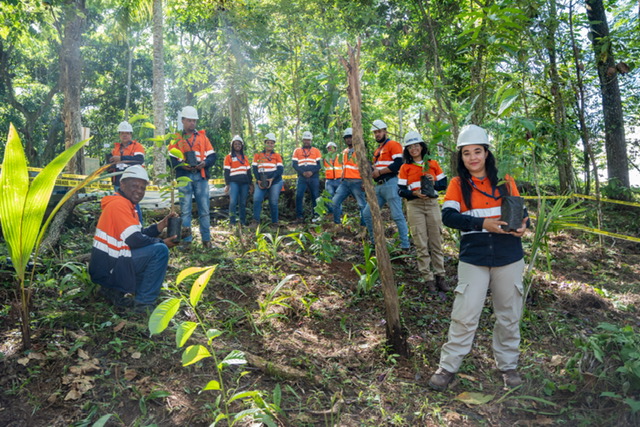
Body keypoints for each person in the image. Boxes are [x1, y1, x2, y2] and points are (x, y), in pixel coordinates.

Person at [428, 124, 529, 391]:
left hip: (509, 254)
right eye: (466, 153)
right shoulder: (457, 184)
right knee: (465, 313)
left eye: (477, 152)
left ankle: (508, 366)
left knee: (508, 314)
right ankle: (448, 367)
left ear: (486, 153)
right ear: (461, 157)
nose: (472, 158)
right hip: (474, 256)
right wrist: (485, 224)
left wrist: (522, 226)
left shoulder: (505, 180)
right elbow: (448, 217)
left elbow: (522, 212)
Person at [89, 165, 178, 313]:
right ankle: (144, 305)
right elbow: (135, 240)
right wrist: (162, 243)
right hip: (110, 268)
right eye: (134, 186)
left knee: (155, 248)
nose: (139, 191)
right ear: (122, 184)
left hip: (109, 266)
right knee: (159, 251)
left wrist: (161, 225)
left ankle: (114, 292)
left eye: (142, 188)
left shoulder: (126, 204)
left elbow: (138, 234)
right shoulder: (119, 204)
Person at [398, 130, 449, 293]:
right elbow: (400, 190)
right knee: (420, 242)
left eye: (416, 145)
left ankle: (440, 276)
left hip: (432, 204)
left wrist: (433, 184)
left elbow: (443, 184)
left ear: (421, 146)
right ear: (407, 150)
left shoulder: (432, 163)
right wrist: (413, 193)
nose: (414, 149)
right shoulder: (405, 167)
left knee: (436, 241)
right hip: (415, 206)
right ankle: (428, 279)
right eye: (410, 147)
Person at [169, 106, 216, 248]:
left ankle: (206, 241)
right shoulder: (176, 138)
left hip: (200, 176)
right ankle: (186, 241)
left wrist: (204, 163)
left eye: (194, 121)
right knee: (185, 209)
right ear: (183, 120)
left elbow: (212, 156)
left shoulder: (202, 137)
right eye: (189, 120)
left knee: (204, 209)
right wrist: (182, 166)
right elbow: (170, 159)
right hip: (184, 177)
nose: (192, 123)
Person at [362, 119, 410, 250]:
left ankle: (405, 246)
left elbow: (398, 164)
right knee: (367, 213)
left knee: (396, 215)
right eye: (375, 132)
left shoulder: (393, 144)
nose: (377, 134)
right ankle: (375, 243)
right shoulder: (378, 150)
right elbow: (377, 168)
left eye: (379, 131)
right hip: (379, 186)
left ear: (385, 131)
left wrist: (380, 172)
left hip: (391, 183)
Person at [331, 127, 367, 225]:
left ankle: (364, 227)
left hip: (357, 182)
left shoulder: (360, 151)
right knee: (335, 202)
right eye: (346, 138)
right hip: (345, 182)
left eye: (350, 137)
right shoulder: (344, 152)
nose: (348, 139)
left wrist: (364, 182)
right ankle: (337, 224)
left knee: (362, 205)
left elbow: (364, 168)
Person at [252, 133, 284, 225]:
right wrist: (258, 179)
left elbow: (280, 169)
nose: (270, 144)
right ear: (265, 143)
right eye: (268, 142)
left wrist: (272, 179)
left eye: (272, 143)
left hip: (275, 182)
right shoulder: (258, 155)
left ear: (274, 144)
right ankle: (255, 221)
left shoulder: (277, 156)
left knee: (273, 201)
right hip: (261, 181)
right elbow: (254, 168)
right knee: (257, 199)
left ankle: (275, 222)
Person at [292, 130, 322, 223]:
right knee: (299, 195)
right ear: (302, 140)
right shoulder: (297, 151)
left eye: (308, 140)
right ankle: (299, 217)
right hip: (302, 177)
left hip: (314, 177)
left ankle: (316, 216)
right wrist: (303, 172)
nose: (307, 141)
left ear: (311, 140)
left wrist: (311, 172)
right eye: (305, 139)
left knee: (315, 196)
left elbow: (319, 165)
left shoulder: (316, 151)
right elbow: (294, 164)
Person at [223, 135, 252, 226]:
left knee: (242, 202)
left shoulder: (245, 157)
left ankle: (242, 222)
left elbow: (248, 172)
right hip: (233, 182)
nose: (237, 145)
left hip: (244, 183)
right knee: (233, 201)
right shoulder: (228, 157)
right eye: (235, 144)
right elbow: (226, 171)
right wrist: (227, 184)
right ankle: (232, 222)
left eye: (239, 144)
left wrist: (251, 184)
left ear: (242, 145)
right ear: (232, 145)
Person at [108, 121, 145, 191]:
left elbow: (139, 160)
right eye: (122, 133)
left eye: (127, 133)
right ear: (119, 135)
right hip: (118, 182)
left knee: (132, 201)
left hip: (134, 181)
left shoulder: (137, 146)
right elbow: (110, 166)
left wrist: (121, 158)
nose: (124, 135)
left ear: (131, 135)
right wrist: (110, 166)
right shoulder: (115, 149)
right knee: (119, 201)